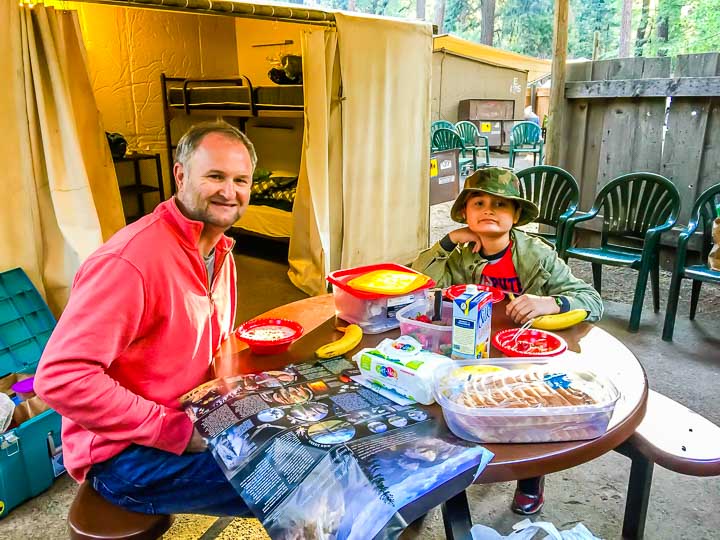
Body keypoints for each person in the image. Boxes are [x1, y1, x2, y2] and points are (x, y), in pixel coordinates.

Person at [34, 121, 256, 516]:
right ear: (181, 174)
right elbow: (61, 378)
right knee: (299, 481)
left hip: (191, 415)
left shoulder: (219, 250)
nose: (229, 191)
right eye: (216, 176)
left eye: (241, 180)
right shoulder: (130, 262)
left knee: (313, 437)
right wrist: (174, 431)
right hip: (124, 456)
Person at [412, 166, 603, 515]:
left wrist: (552, 302)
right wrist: (447, 241)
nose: (488, 210)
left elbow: (592, 301)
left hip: (524, 353)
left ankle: (530, 476)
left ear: (515, 215)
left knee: (531, 415)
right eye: (479, 202)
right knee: (439, 404)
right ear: (466, 213)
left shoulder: (536, 254)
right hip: (470, 345)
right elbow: (417, 284)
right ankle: (437, 473)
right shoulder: (461, 253)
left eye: (501, 204)